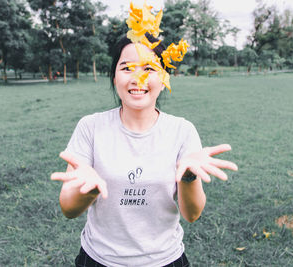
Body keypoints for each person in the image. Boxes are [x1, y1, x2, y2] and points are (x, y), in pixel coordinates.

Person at [51, 32, 238, 267]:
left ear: (163, 78)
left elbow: (192, 215)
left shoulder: (182, 131)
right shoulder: (91, 127)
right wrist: (89, 190)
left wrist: (188, 177)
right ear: (114, 76)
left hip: (165, 260)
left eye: (149, 68)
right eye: (127, 68)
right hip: (98, 260)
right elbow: (68, 208)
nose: (137, 78)